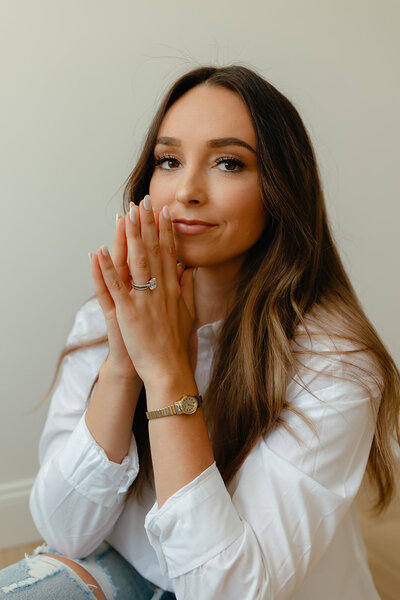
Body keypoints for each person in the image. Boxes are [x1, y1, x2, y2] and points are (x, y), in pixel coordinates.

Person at [1, 65, 399, 600]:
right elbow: (65, 530)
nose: (186, 190)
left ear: (281, 189)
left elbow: (228, 591)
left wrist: (167, 374)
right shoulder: (106, 318)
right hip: (131, 571)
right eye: (169, 160)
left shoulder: (335, 361)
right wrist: (123, 366)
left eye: (228, 163)